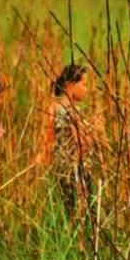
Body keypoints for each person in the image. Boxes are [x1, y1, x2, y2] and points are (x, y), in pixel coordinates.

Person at [44, 64, 100, 218]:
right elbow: (81, 144)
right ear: (71, 85)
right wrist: (95, 131)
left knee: (67, 213)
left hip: (61, 170)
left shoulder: (53, 107)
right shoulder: (72, 112)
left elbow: (48, 141)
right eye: (84, 84)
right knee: (85, 215)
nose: (86, 89)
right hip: (76, 171)